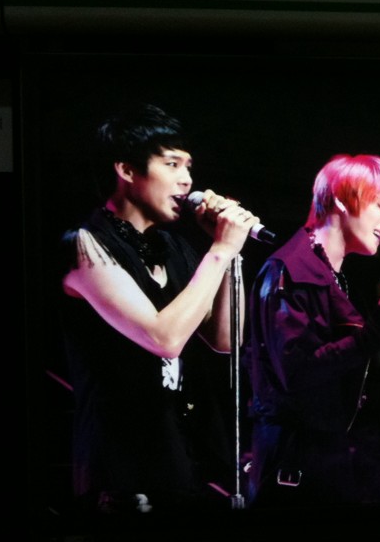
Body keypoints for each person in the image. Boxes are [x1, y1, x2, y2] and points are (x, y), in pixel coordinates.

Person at [61, 103, 259, 513]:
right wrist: (221, 251)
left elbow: (225, 339)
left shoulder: (174, 248)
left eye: (188, 167)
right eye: (172, 164)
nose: (187, 180)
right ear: (127, 170)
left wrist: (228, 253)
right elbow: (163, 338)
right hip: (121, 474)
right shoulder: (85, 244)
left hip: (181, 456)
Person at [245, 154, 380, 507]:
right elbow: (297, 371)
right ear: (342, 200)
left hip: (322, 456)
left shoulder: (327, 273)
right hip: (294, 464)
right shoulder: (292, 271)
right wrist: (374, 335)